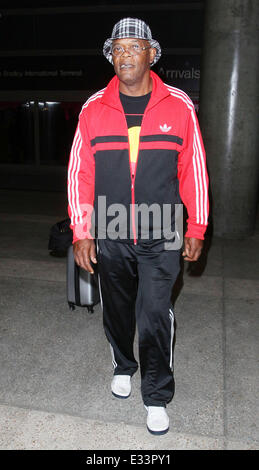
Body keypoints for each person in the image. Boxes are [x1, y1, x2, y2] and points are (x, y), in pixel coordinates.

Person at [67, 18, 209, 435]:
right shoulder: (94, 108)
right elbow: (80, 174)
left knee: (153, 312)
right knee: (117, 308)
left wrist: (197, 226)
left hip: (162, 227)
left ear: (151, 54)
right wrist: (82, 230)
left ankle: (157, 394)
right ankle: (123, 365)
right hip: (110, 225)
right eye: (117, 48)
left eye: (134, 46)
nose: (124, 54)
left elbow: (193, 168)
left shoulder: (178, 104)